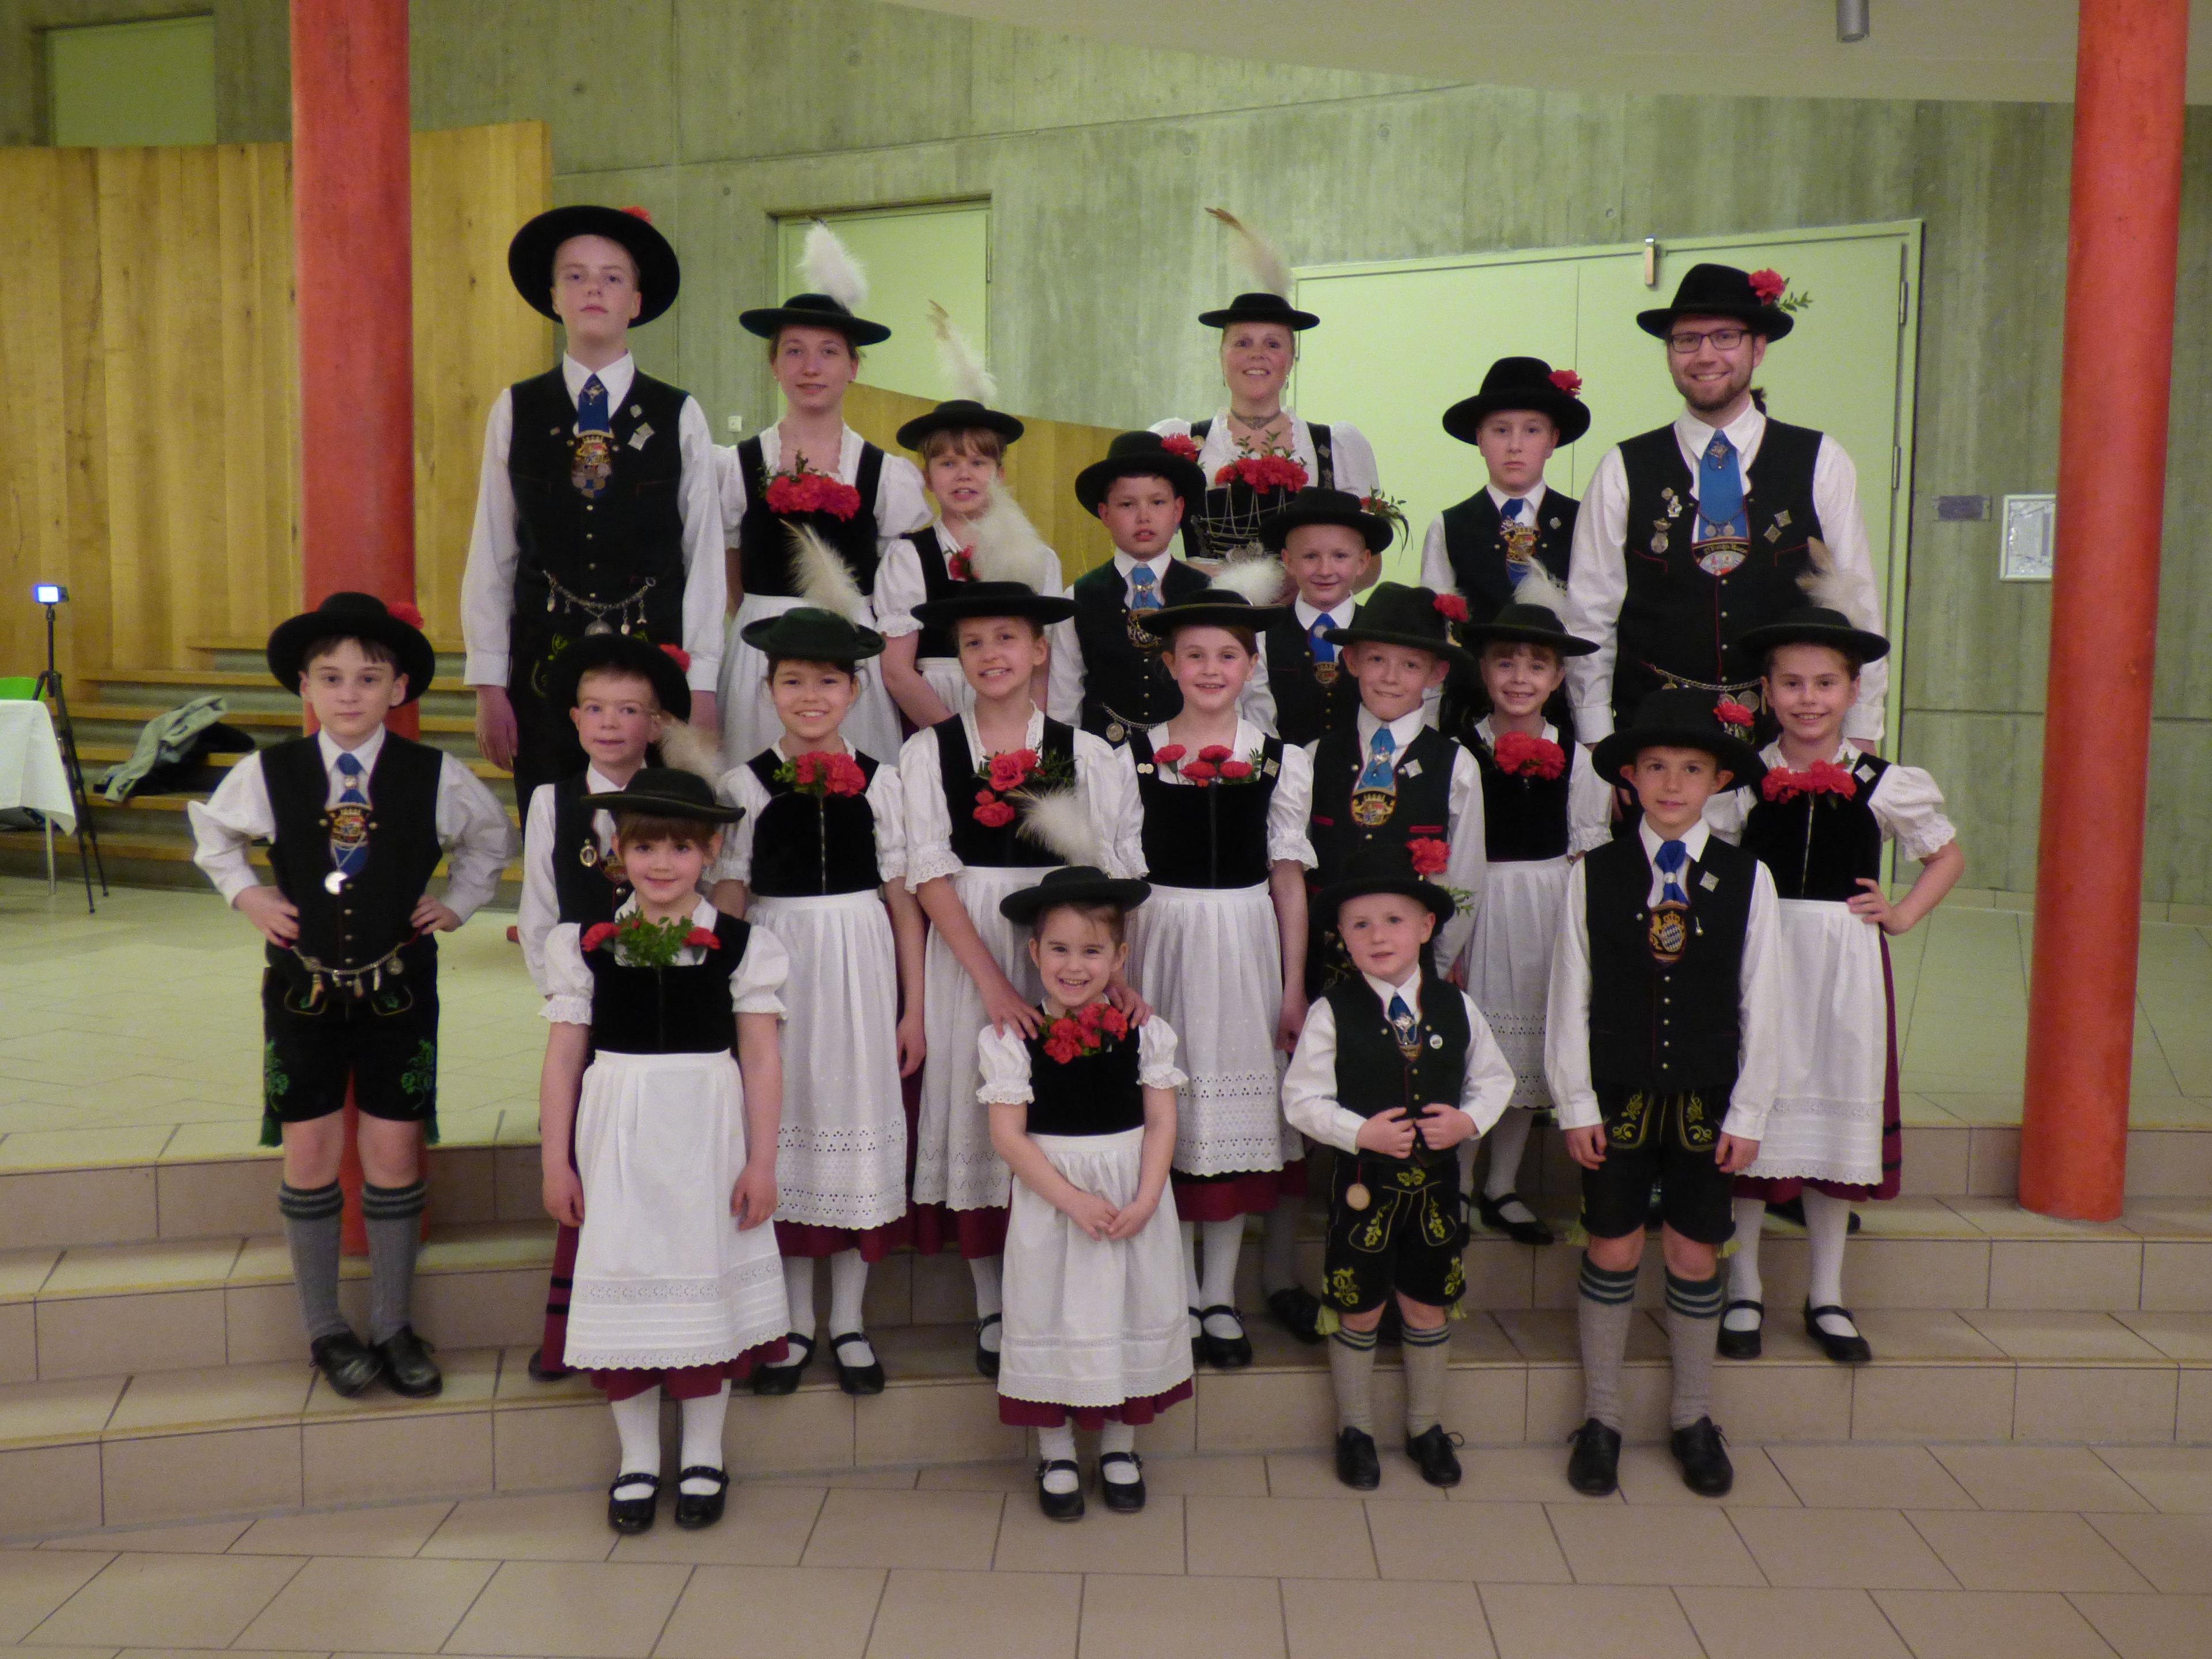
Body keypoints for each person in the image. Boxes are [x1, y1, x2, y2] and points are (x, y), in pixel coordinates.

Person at [190, 593, 514, 1400]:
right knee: (309, 1152)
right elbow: (214, 836)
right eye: (331, 678)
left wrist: (459, 902)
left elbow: (490, 840)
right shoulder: (270, 773)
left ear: (398, 689)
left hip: (399, 991)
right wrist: (249, 896)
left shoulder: (434, 775)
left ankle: (395, 1324)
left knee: (394, 1151)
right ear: (304, 687)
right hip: (300, 992)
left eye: (368, 678)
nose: (348, 694)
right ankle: (325, 1328)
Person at [1706, 597, 1962, 1365]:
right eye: (1791, 684)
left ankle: (1826, 1292)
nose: (1808, 699)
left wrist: (1903, 913)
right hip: (1763, 961)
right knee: (1755, 1114)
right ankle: (1744, 1285)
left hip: (1846, 968)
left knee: (1833, 1127)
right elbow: (1710, 858)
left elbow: (1945, 855)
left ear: (1853, 691)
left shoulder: (1881, 782)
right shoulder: (1746, 778)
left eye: (1825, 684)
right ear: (1766, 692)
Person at [536, 768, 791, 1535]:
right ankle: (639, 1458)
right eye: (645, 847)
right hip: (617, 1138)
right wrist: (555, 1161)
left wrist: (763, 1162)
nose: (662, 863)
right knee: (627, 1280)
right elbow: (562, 1059)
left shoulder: (744, 947)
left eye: (681, 847)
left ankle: (705, 1452)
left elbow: (762, 1058)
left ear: (709, 852)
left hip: (707, 1139)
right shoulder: (582, 945)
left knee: (703, 1284)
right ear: (618, 851)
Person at [900, 579, 1142, 1376]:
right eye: (973, 643)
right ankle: (992, 1303)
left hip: (1070, 954)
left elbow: (1116, 876)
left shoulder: (1089, 753)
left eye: (1007, 638)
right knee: (984, 1116)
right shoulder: (929, 752)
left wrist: (1117, 975)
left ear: (1040, 651)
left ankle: (1059, 1289)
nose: (990, 654)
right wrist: (994, 985)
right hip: (971, 952)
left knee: (1061, 1113)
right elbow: (930, 876)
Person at [1545, 689, 1780, 1499]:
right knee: (1612, 1244)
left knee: (1691, 1249)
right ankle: (1602, 1417)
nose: (1672, 784)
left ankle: (1691, 1415)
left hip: (1708, 1099)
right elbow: (1569, 996)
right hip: (1617, 1094)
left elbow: (1763, 1002)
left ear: (1719, 780)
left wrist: (1749, 1112)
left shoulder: (1748, 877)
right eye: (1655, 768)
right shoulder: (1596, 874)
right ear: (1630, 779)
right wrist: (1575, 1102)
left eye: (1690, 769)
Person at [707, 608, 925, 1397]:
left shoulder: (885, 783)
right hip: (779, 970)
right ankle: (796, 1320)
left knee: (853, 1122)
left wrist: (914, 1007)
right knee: (787, 1123)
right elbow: (730, 899)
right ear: (768, 690)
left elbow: (903, 901)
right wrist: (723, 999)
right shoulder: (744, 786)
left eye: (828, 682)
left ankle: (850, 1322)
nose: (810, 697)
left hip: (861, 968)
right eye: (793, 681)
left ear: (855, 691)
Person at [1560, 263, 1887, 750]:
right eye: (1686, 340)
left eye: (1725, 337)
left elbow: (1857, 606)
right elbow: (1591, 614)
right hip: (1653, 741)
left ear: (1759, 348)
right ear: (1669, 353)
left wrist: (1861, 730)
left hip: (1786, 741)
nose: (1705, 355)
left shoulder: (1822, 460)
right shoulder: (1622, 468)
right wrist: (1595, 739)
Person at [462, 204, 724, 812]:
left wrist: (704, 680)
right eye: (575, 276)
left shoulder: (679, 413)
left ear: (636, 300)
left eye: (612, 277)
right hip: (542, 667)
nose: (593, 290)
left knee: (654, 827)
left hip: (655, 663)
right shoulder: (516, 409)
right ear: (554, 297)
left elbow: (705, 554)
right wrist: (488, 681)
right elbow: (493, 548)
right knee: (552, 819)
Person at [1114, 588, 1313, 1371]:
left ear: (1250, 665)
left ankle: (1218, 1295)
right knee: (1166, 1109)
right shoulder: (1131, 756)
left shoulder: (1280, 760)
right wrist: (1120, 977)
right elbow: (1120, 881)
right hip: (1159, 942)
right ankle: (1169, 1294)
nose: (1209, 668)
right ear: (1169, 664)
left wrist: (1292, 986)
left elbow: (1288, 880)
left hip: (1243, 947)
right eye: (1193, 655)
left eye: (1227, 655)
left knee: (1232, 1114)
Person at [1282, 842, 1516, 1490]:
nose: (1378, 936)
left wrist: (1468, 1121)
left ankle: (1425, 1426)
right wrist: (1359, 1132)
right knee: (1358, 1306)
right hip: (1364, 1191)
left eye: (1393, 921)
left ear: (1426, 926)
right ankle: (1355, 1429)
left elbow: (1495, 1080)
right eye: (1360, 925)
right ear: (1342, 937)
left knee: (1426, 1304)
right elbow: (1302, 1099)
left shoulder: (1457, 1007)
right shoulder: (1333, 1011)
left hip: (1437, 1193)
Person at [516, 631, 697, 1383]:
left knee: (670, 1165)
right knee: (594, 1163)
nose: (610, 723)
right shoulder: (552, 802)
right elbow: (540, 915)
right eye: (595, 708)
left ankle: (683, 1329)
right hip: (591, 1015)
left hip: (674, 1016)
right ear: (575, 718)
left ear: (657, 723)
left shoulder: (684, 796)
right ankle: (581, 1330)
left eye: (628, 709)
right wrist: (569, 1004)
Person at [985, 866, 1193, 1520]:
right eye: (1059, 949)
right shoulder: (1010, 1041)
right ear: (1034, 953)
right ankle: (1056, 1452)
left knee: (1128, 1309)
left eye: (1092, 951)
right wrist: (1072, 1200)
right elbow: (1009, 1138)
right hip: (1054, 1203)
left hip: (1132, 1195)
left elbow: (1161, 1122)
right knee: (1051, 1312)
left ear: (1119, 957)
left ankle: (1120, 1448)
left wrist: (1148, 1197)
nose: (1074, 966)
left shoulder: (1147, 1034)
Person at [718, 224, 931, 768]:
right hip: (762, 652)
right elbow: (728, 570)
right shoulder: (735, 465)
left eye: (829, 353)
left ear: (853, 367)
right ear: (774, 365)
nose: (810, 368)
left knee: (854, 785)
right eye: (794, 352)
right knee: (759, 783)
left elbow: (896, 581)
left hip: (849, 650)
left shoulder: (886, 474)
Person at [1452, 569, 1611, 1246]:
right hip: (1479, 905)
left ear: (1557, 678)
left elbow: (1586, 852)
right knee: (1475, 1051)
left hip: (1547, 908)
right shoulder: (1459, 750)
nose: (1520, 678)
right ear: (1484, 670)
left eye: (1537, 666)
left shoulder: (1580, 759)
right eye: (1505, 663)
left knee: (1528, 1052)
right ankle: (1457, 1184)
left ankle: (1502, 1184)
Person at [1152, 209, 1378, 565]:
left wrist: (1304, 581)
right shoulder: (1177, 442)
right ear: (1222, 357)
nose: (1256, 355)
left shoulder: (1336, 447)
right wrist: (1195, 575)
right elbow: (1142, 546)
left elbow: (1368, 563)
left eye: (1273, 344)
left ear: (1291, 359)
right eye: (1242, 343)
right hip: (1204, 601)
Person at [1305, 582, 1487, 995]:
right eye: (1376, 659)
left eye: (1410, 665)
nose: (1390, 678)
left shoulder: (1457, 766)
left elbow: (1466, 876)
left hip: (1414, 973)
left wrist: (1436, 963)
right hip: (1325, 969)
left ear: (1436, 674)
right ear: (1351, 660)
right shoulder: (1315, 757)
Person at [1422, 356, 1589, 743]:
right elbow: (1435, 637)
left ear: (1552, 441)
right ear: (1480, 439)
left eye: (1532, 430)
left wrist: (1590, 725)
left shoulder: (1582, 522)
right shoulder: (1450, 525)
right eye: (1500, 430)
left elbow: (1592, 622)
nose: (1515, 446)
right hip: (1468, 718)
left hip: (1557, 718)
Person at [879, 395, 1069, 724]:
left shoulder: (1038, 559)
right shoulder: (909, 557)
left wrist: (1030, 735)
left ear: (1000, 475)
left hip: (1017, 720)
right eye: (948, 464)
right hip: (935, 718)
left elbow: (1042, 666)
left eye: (978, 463)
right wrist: (953, 740)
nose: (963, 475)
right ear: (928, 478)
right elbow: (897, 672)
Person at [1052, 431, 1212, 744]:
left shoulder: (1208, 594)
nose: (1143, 517)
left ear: (1178, 510)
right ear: (1105, 513)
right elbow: (1063, 697)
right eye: (1127, 504)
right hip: (1103, 757)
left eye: (1157, 502)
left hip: (1192, 754)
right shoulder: (1078, 597)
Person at [1243, 488, 1389, 747]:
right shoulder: (1262, 636)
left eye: (1340, 556)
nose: (1325, 570)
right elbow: (1258, 721)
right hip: (1283, 768)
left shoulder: (1384, 634)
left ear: (1362, 562)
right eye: (1311, 556)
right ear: (1288, 561)